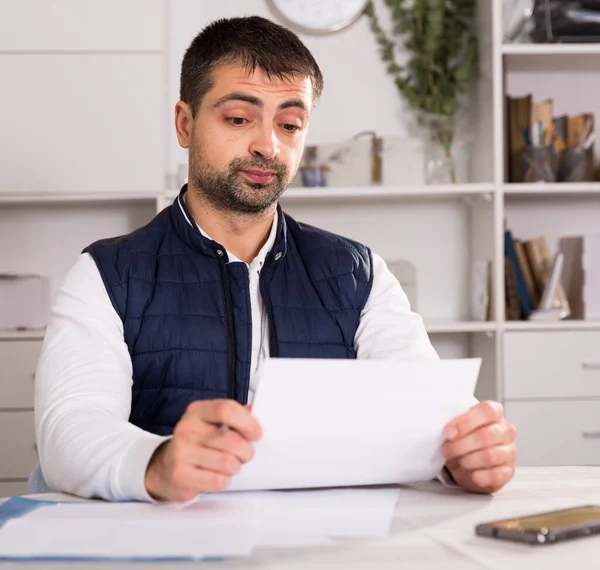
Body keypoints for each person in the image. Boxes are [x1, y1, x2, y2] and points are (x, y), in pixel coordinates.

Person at [34, 15, 516, 503]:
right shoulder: (107, 276)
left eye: (289, 124)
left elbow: (426, 406)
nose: (268, 146)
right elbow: (70, 429)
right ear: (185, 123)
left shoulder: (358, 274)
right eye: (239, 119)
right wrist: (157, 464)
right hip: (169, 538)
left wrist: (466, 454)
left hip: (322, 543)